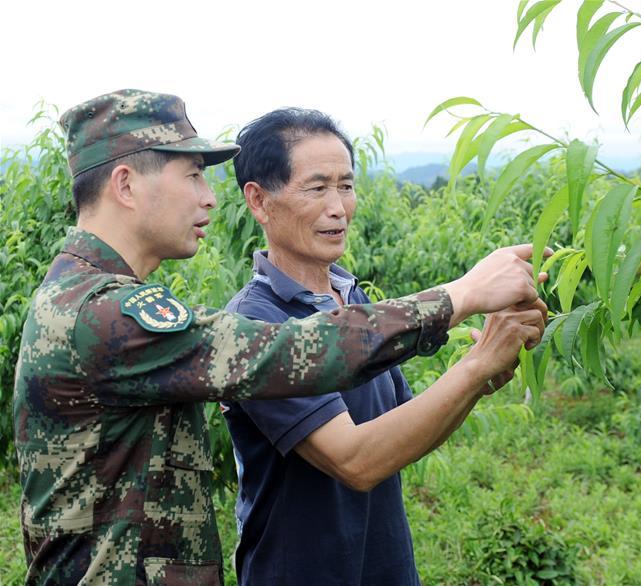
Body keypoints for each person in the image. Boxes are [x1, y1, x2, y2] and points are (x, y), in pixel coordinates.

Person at [13, 89, 547, 585]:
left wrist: (482, 364)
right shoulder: (107, 313)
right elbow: (291, 352)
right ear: (126, 185)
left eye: (346, 185)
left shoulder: (85, 295)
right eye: (194, 175)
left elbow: (395, 422)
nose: (209, 198)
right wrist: (463, 294)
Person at [221, 108, 547, 585]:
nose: (338, 207)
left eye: (346, 185)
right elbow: (356, 461)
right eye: (316, 188)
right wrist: (473, 367)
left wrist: (483, 375)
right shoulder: (257, 324)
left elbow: (404, 435)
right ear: (259, 200)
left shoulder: (353, 300)